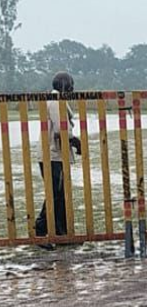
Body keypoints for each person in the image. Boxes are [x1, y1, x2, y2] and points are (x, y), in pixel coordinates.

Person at [34, 71, 81, 249]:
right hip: (52, 155)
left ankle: (62, 234)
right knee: (54, 194)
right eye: (70, 85)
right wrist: (74, 140)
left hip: (54, 154)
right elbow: (60, 129)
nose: (72, 89)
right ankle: (41, 231)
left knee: (59, 195)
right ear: (63, 85)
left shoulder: (56, 100)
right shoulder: (55, 102)